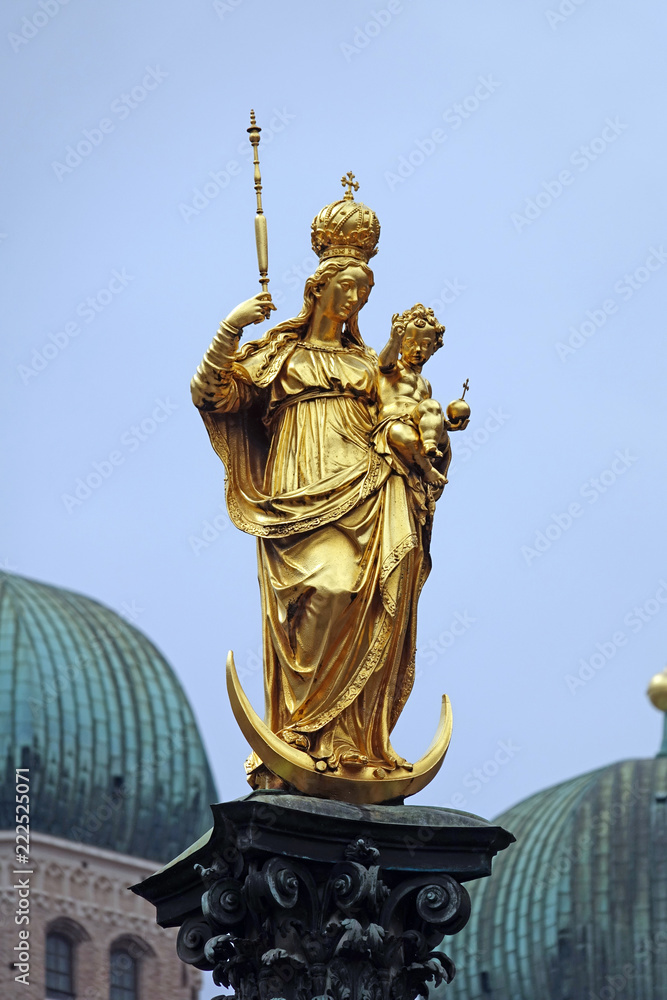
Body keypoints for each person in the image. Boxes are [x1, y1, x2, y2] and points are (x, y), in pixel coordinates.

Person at [191, 186, 443, 787]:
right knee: (326, 588)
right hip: (298, 492)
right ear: (318, 288)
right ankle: (298, 728)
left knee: (376, 591)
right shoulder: (281, 355)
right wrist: (231, 328)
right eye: (346, 286)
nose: (355, 298)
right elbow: (212, 394)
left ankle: (354, 741)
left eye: (364, 290)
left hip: (369, 485)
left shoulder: (368, 369)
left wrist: (424, 444)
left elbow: (402, 416)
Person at [373, 304, 450, 488]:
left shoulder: (425, 384)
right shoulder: (394, 368)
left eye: (425, 345)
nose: (418, 350)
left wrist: (450, 424)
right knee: (403, 435)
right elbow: (384, 363)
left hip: (417, 420)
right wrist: (394, 339)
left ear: (434, 348)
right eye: (410, 343)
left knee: (432, 405)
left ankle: (429, 445)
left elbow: (431, 416)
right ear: (401, 346)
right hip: (394, 420)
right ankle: (426, 469)